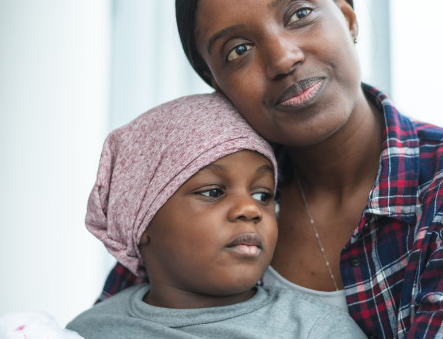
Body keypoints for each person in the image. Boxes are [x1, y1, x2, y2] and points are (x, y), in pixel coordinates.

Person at [98, 0, 443, 338]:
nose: (282, 57)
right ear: (216, 85)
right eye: (239, 50)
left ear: (348, 16)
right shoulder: (185, 197)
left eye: (299, 14)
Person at [66, 93, 365, 338]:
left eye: (263, 195)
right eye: (213, 192)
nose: (250, 210)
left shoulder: (316, 330)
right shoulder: (88, 331)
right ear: (140, 221)